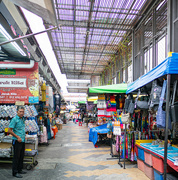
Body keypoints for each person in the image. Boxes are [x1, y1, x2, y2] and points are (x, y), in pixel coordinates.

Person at [8, 106, 27, 178]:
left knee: (21, 155)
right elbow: (9, 130)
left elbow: (21, 129)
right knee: (16, 157)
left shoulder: (22, 119)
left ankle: (19, 169)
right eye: (20, 111)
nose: (22, 113)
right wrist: (17, 137)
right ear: (17, 112)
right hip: (16, 140)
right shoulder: (14, 119)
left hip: (22, 140)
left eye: (23, 111)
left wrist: (24, 136)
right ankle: (15, 172)